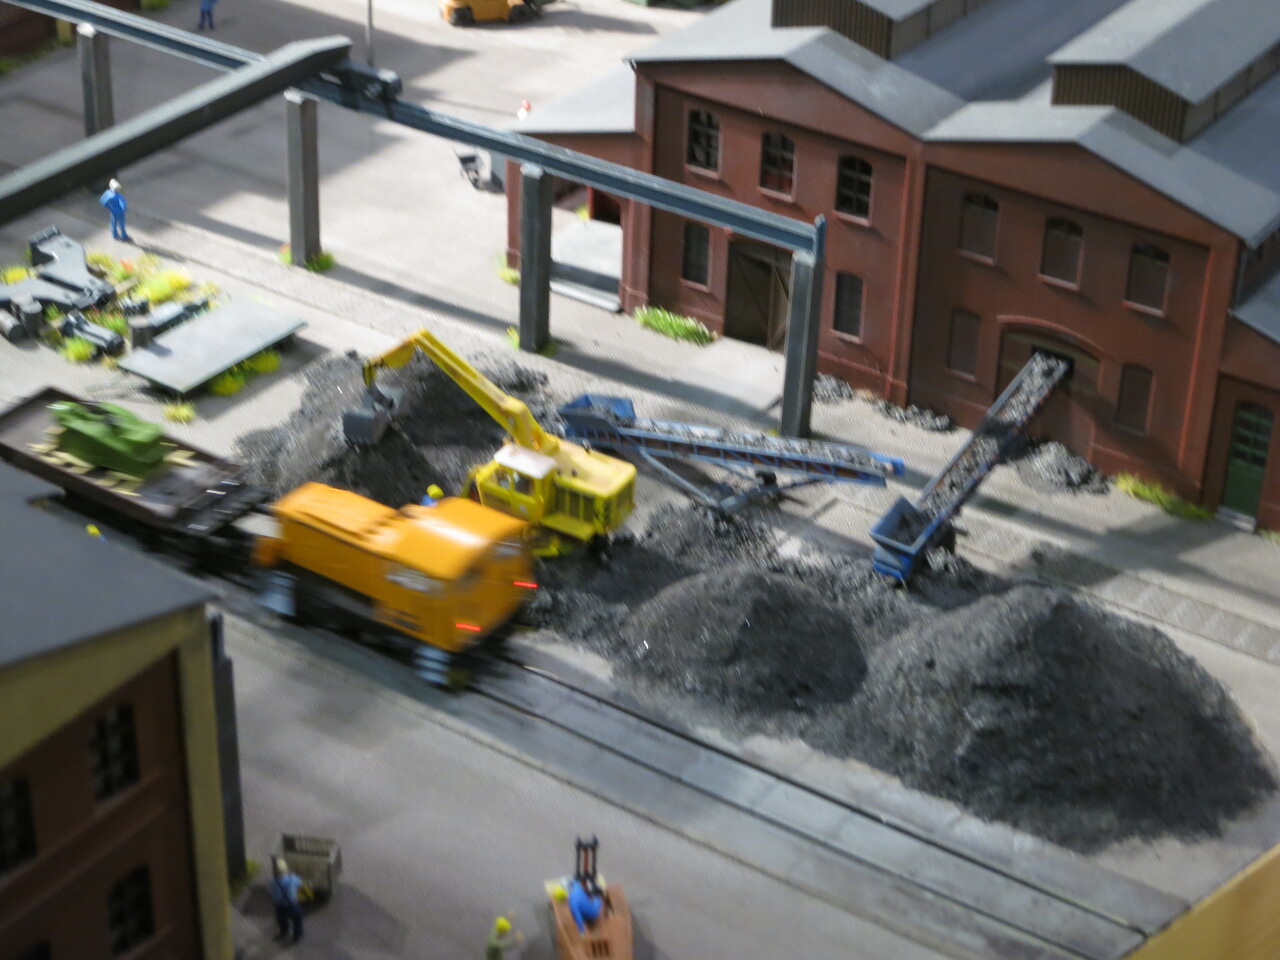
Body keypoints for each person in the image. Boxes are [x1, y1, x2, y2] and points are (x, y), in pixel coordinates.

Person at [269, 857, 304, 944]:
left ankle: (284, 932)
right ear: (286, 869)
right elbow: (300, 885)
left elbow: (271, 892)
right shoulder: (293, 879)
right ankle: (297, 935)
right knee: (297, 919)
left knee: (282, 919)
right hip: (292, 905)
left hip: (279, 906)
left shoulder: (273, 882)